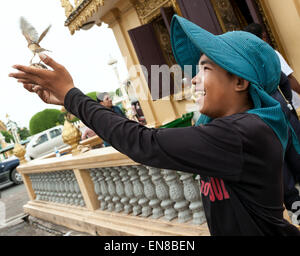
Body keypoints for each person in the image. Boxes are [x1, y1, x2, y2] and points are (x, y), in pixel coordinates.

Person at [9, 15, 300, 236]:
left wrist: (72, 96)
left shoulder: (243, 133)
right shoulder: (228, 128)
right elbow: (143, 137)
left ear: (240, 81)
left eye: (206, 69)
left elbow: (145, 144)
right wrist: (68, 101)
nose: (194, 79)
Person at [244, 23, 300, 215]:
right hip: (283, 117)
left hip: (263, 127)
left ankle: (297, 211)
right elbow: (286, 82)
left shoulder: (240, 69)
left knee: (282, 172)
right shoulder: (269, 57)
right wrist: (288, 104)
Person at [243, 23, 300, 111]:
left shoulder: (249, 62)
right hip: (292, 104)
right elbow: (289, 79)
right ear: (263, 36)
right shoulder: (271, 54)